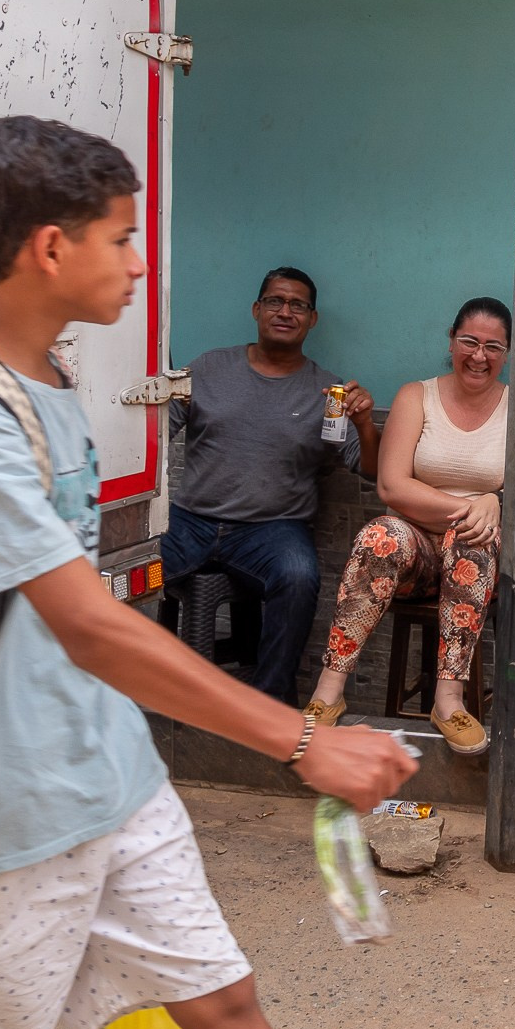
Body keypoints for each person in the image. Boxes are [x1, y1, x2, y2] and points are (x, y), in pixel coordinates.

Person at [0, 116, 417, 1029]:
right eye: (121, 237)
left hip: (108, 777)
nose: (140, 262)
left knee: (224, 1006)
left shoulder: (45, 382)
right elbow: (90, 625)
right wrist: (305, 739)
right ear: (52, 248)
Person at [302, 298, 511, 756]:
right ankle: (327, 694)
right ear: (451, 341)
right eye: (469, 342)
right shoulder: (416, 396)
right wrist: (477, 503)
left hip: (476, 560)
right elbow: (393, 487)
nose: (479, 356)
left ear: (507, 353)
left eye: (493, 347)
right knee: (380, 534)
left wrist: (495, 503)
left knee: (472, 544)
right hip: (414, 552)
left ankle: (448, 701)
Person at [161, 266, 379, 704]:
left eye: (298, 305)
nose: (285, 312)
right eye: (275, 302)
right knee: (125, 570)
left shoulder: (329, 391)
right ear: (257, 309)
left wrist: (364, 424)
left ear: (312, 319)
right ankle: (139, 688)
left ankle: (272, 705)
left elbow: (370, 471)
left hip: (272, 529)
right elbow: (154, 430)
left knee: (298, 577)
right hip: (189, 521)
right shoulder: (207, 367)